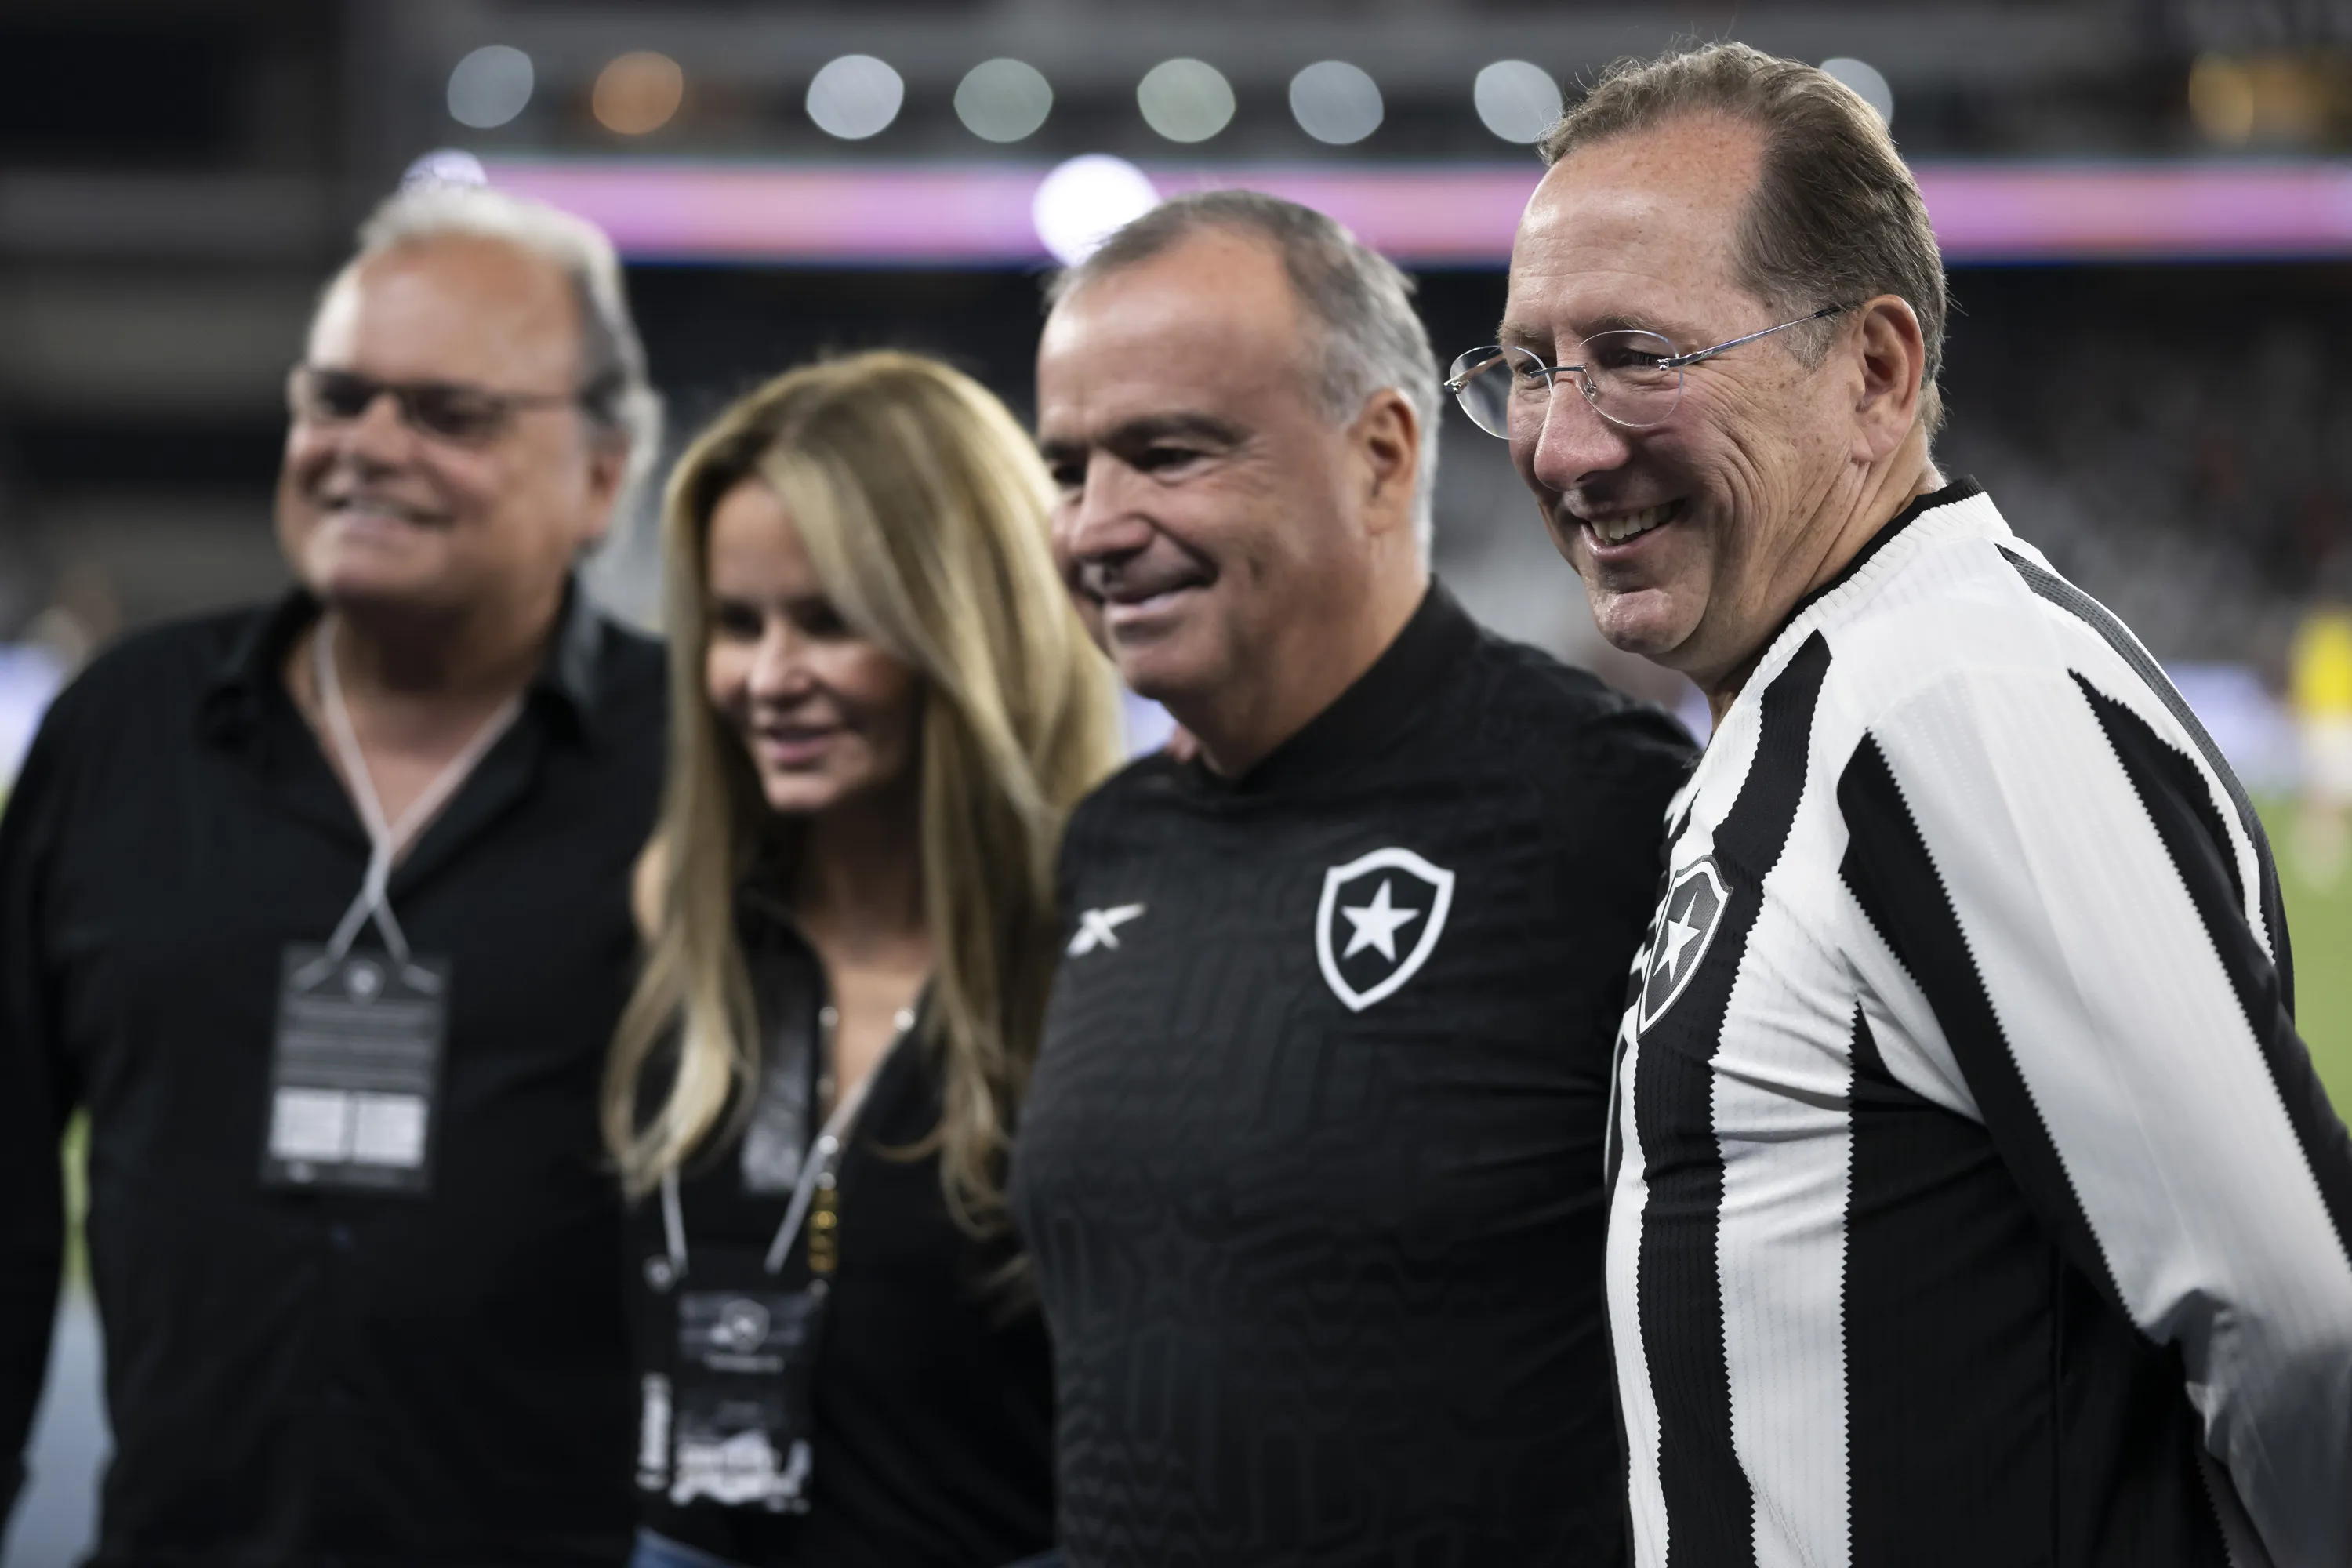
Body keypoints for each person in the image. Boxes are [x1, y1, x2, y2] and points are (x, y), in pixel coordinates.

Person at [1471, 40, 2352, 1567]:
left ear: (1875, 371)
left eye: (1638, 355)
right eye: (1530, 365)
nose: (1561, 442)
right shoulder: (1816, 695)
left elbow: (2303, 1323)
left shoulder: (1949, 702)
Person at [1012, 191, 1696, 1566]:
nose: (1095, 526)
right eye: (1071, 469)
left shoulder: (1615, 815)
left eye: (1166, 453)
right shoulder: (1107, 843)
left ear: (1383, 454)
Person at [0, 181, 668, 1564]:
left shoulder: (705, 771)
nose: (367, 445)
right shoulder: (126, 732)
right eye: (338, 397)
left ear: (603, 478)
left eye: (449, 411)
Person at [608, 351, 1122, 1568]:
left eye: (831, 621)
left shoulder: (1110, 951)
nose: (769, 679)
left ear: (964, 622)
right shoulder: (675, 912)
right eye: (738, 625)